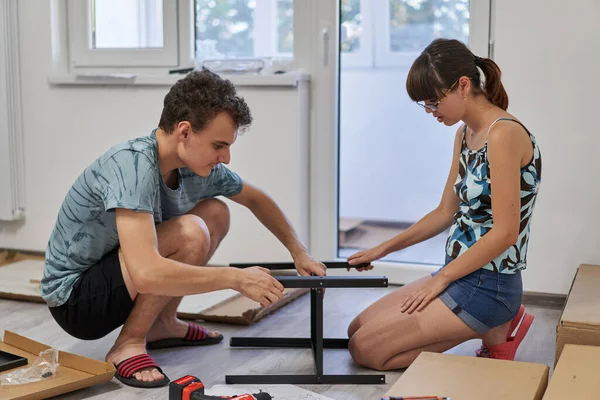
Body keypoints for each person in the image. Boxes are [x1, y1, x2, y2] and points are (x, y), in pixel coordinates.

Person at [41, 70, 327, 388]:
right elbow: (147, 272)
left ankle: (163, 324)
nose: (227, 158)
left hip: (117, 278)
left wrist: (298, 251)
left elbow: (256, 199)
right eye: (219, 145)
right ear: (185, 132)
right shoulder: (133, 165)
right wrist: (236, 277)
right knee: (191, 230)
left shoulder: (194, 167)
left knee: (216, 212)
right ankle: (128, 345)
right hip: (77, 302)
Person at [346, 38, 542, 370]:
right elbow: (444, 213)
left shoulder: (503, 135)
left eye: (433, 102)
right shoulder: (466, 133)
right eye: (423, 105)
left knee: (366, 350)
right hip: (461, 274)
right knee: (357, 330)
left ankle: (496, 324)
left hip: (488, 284)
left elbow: (506, 233)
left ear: (463, 85)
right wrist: (382, 249)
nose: (430, 112)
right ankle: (493, 330)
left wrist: (440, 280)